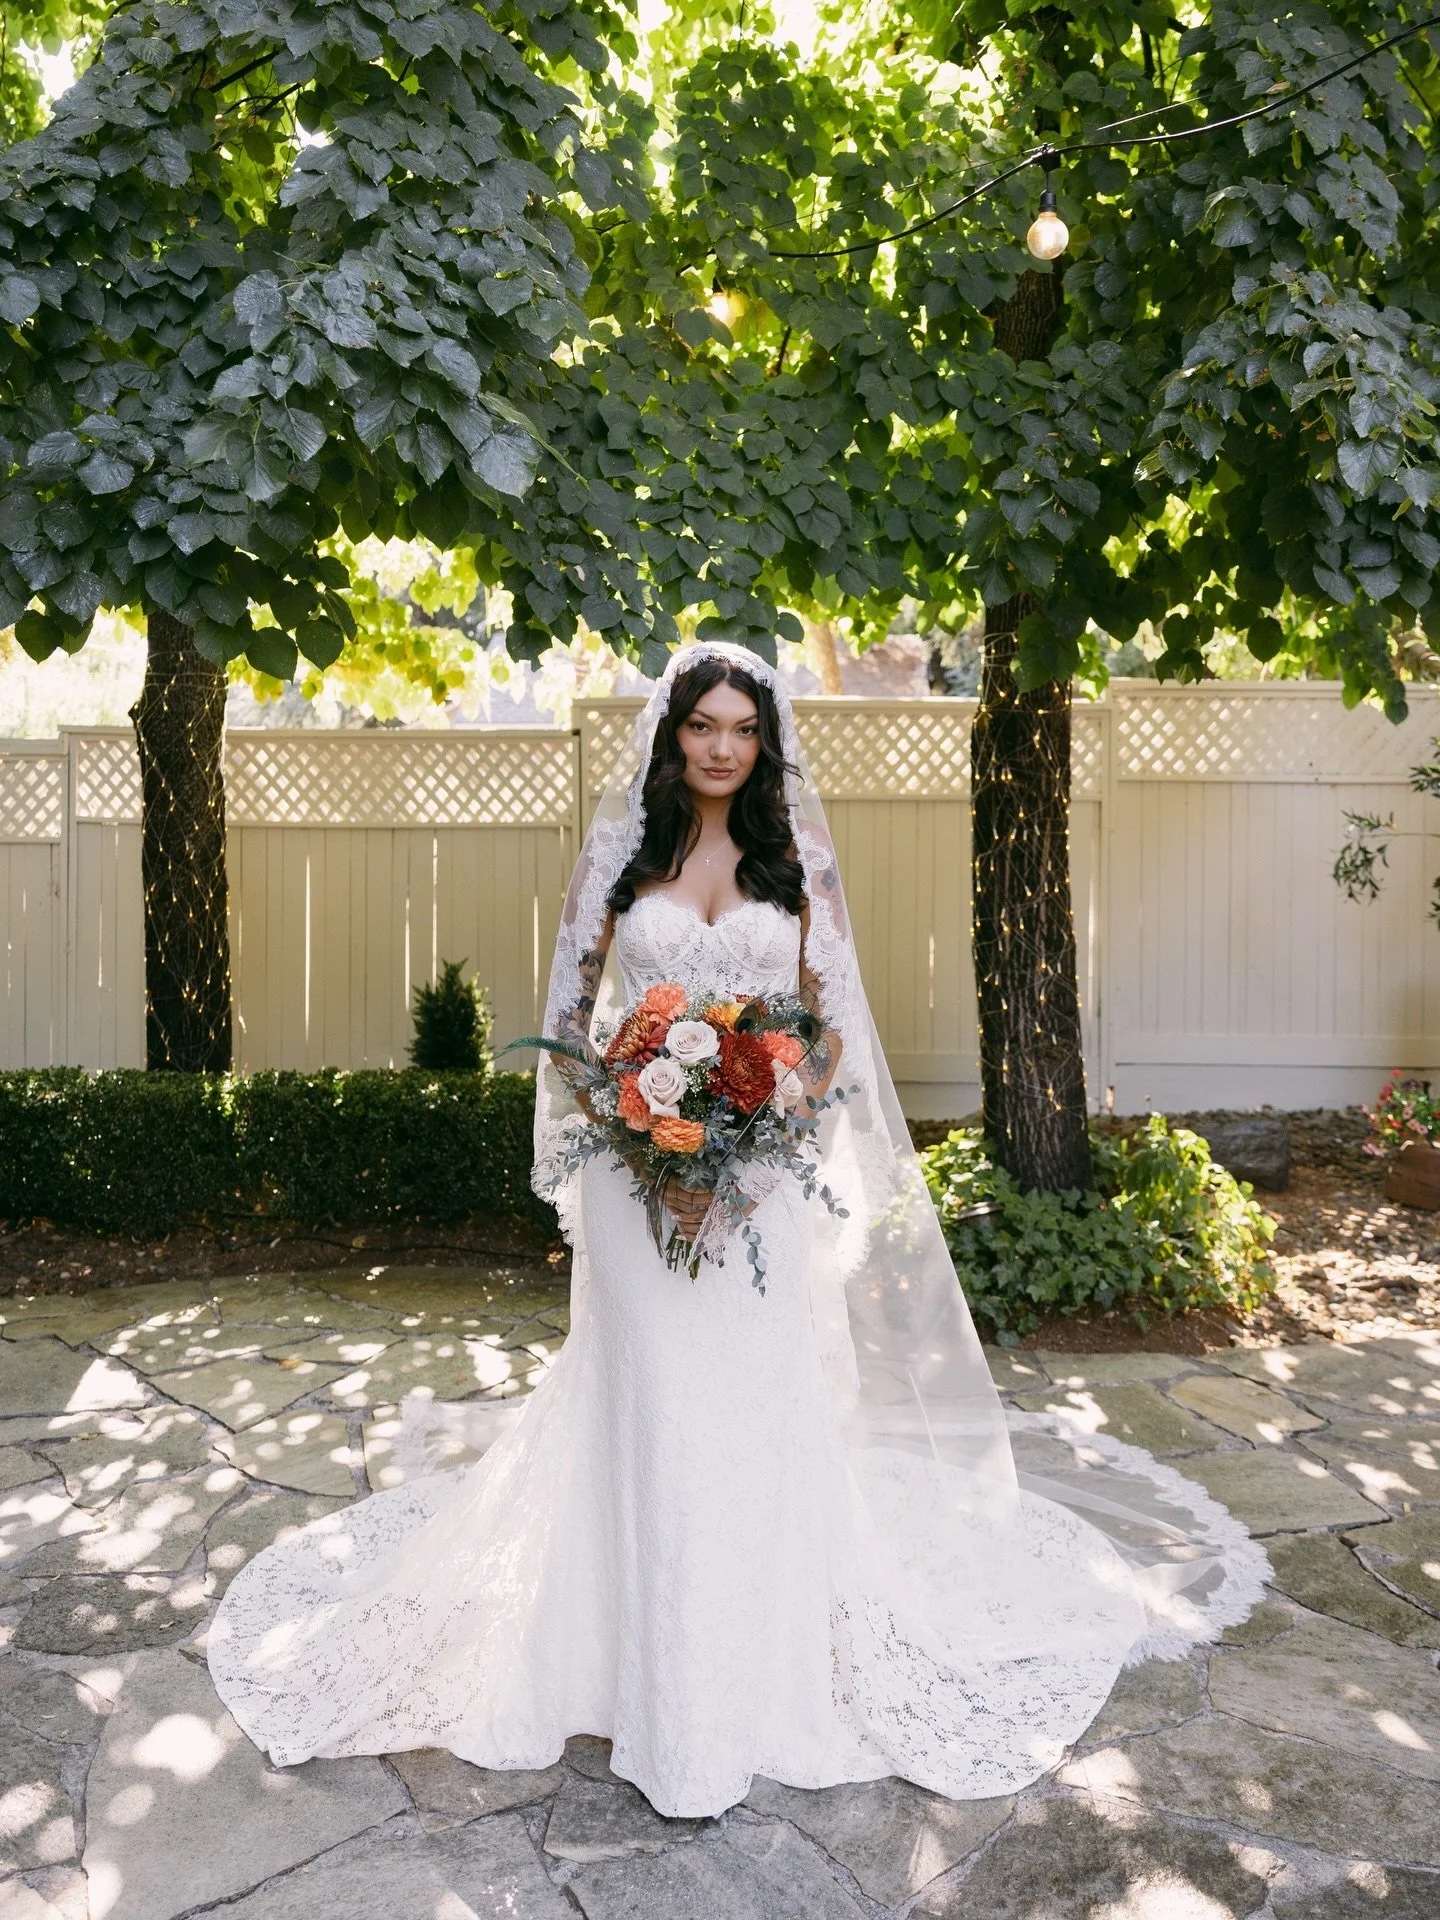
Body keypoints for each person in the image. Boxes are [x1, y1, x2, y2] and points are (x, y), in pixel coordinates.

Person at [208, 641, 1269, 1819]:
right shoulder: (621, 851)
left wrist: (752, 1146)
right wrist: (636, 1130)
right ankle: (634, 1679)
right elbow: (570, 1019)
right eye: (702, 725)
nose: (720, 746)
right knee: (650, 1411)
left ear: (765, 744)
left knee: (749, 1415)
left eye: (742, 729)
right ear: (672, 735)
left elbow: (828, 1031)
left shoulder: (795, 858)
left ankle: (746, 1672)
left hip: (760, 1185)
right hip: (632, 1183)